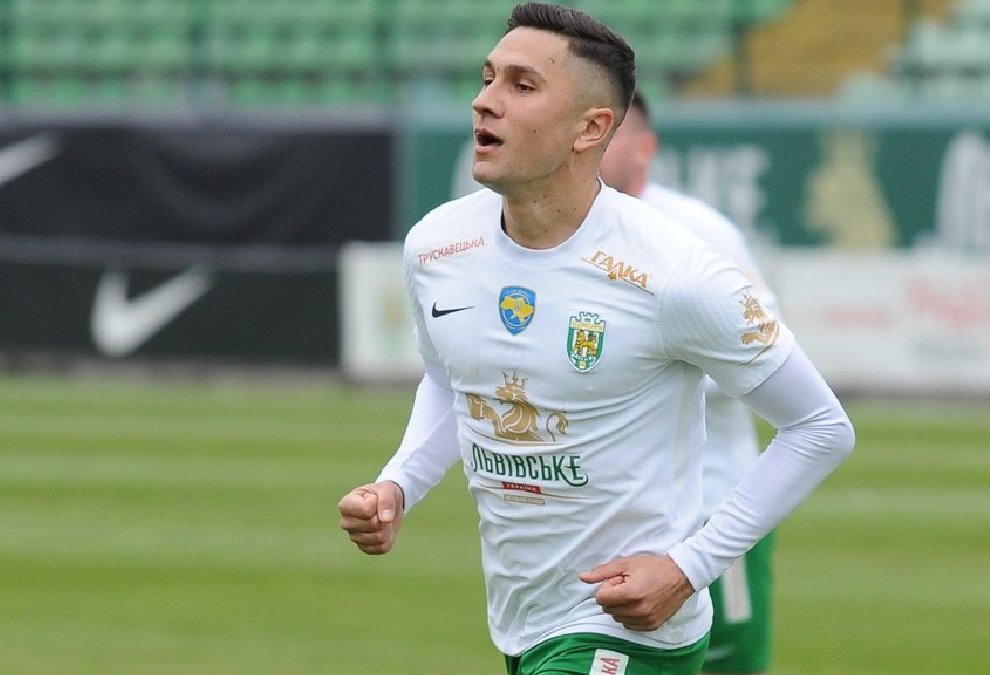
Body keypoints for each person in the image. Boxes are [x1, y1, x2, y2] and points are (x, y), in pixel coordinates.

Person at [338, 4, 855, 675]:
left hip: (628, 630)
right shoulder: (437, 245)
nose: (484, 101)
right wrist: (398, 483)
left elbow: (820, 425)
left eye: (522, 85)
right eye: (488, 78)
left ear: (590, 128)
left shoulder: (676, 269)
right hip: (525, 623)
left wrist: (688, 566)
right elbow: (450, 382)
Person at [600, 91, 780, 675]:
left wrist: (648, 375)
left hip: (711, 509)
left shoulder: (698, 232)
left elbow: (765, 347)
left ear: (645, 148)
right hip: (610, 518)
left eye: (612, 132)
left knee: (725, 663)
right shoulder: (561, 235)